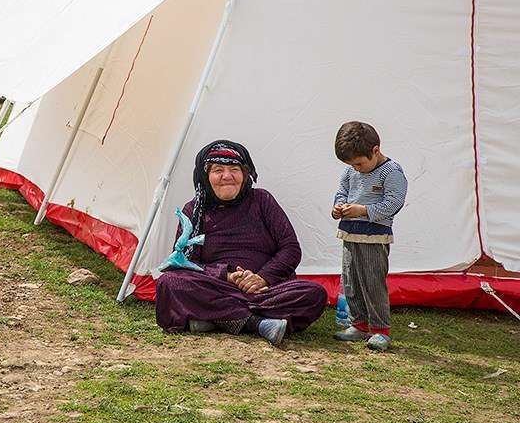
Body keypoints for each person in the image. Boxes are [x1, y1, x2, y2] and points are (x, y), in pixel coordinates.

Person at [155, 140, 328, 345]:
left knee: (314, 294)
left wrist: (261, 278)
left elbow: (290, 248)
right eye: (218, 169)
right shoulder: (194, 210)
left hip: (264, 290)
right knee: (170, 283)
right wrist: (227, 276)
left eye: (234, 169)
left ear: (245, 175)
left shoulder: (262, 200)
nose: (227, 176)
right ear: (205, 176)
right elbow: (186, 262)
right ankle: (257, 323)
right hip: (218, 286)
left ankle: (216, 318)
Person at [331, 121, 408, 351]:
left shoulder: (391, 172)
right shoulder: (350, 170)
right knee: (351, 281)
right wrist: (338, 206)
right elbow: (342, 190)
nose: (355, 168)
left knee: (373, 282)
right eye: (351, 164)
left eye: (359, 163)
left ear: (375, 151)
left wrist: (364, 211)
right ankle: (359, 324)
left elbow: (394, 202)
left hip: (374, 237)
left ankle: (380, 330)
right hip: (349, 233)